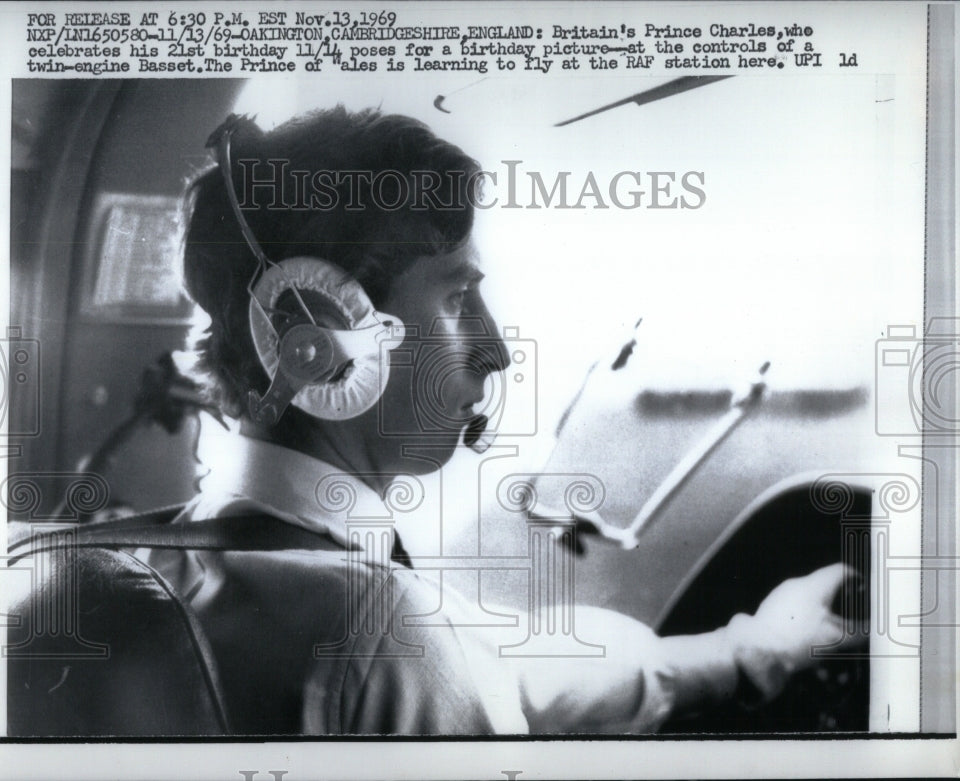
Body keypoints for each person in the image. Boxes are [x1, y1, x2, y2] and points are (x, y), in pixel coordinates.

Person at [140, 106, 857, 735]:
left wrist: (755, 647)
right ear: (320, 334)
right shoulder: (381, 635)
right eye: (457, 299)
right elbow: (437, 660)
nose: (497, 350)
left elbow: (503, 665)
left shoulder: (180, 554)